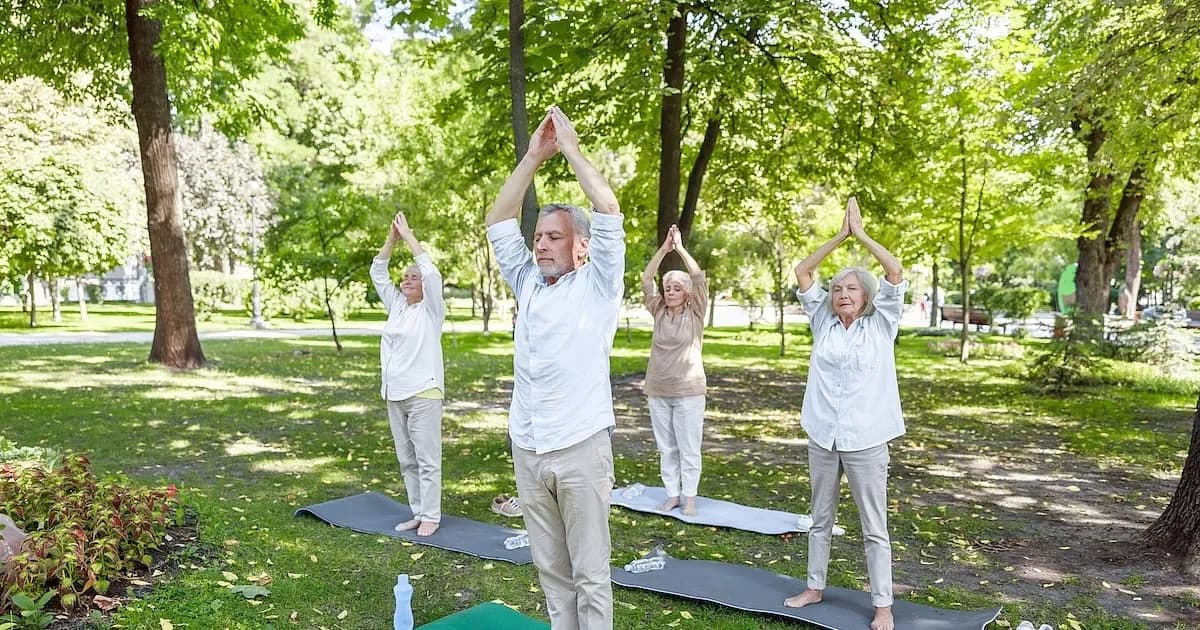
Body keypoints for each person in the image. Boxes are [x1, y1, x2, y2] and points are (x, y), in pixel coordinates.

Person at [486, 106, 624, 630]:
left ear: (582, 246)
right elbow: (499, 221)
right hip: (527, 444)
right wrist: (532, 159)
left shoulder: (598, 284)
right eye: (539, 236)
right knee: (551, 571)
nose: (541, 244)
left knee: (590, 574)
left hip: (580, 447)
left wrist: (570, 150)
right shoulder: (527, 282)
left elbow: (607, 208)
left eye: (554, 237)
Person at [783, 197, 906, 630]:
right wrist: (839, 236)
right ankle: (814, 587)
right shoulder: (823, 321)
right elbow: (803, 272)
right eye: (837, 289)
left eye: (851, 289)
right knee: (820, 518)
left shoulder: (882, 323)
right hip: (823, 435)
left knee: (874, 527)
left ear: (867, 296)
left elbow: (895, 272)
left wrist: (862, 236)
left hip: (866, 439)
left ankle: (883, 605)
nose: (842, 295)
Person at [369, 212, 445, 538]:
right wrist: (391, 239)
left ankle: (432, 515)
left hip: (424, 393)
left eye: (414, 276)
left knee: (427, 459)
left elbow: (432, 273)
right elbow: (377, 271)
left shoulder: (432, 309)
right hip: (394, 393)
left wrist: (409, 236)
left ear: (424, 284)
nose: (407, 280)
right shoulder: (398, 306)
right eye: (404, 277)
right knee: (406, 460)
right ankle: (418, 511)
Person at [640, 224, 708, 516]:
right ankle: (672, 493)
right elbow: (646, 279)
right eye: (667, 288)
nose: (670, 292)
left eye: (677, 288)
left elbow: (698, 277)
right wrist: (663, 250)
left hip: (689, 390)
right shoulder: (659, 311)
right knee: (666, 447)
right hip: (658, 389)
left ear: (687, 294)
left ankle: (689, 496)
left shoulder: (696, 312)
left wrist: (679, 249)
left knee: (689, 447)